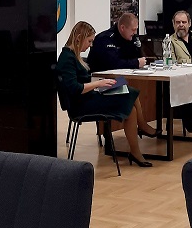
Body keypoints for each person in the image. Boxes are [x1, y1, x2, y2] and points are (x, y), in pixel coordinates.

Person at [57, 21, 157, 167]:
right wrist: (98, 84)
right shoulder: (67, 58)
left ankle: (140, 130)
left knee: (128, 89)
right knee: (130, 108)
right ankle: (137, 146)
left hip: (88, 97)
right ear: (79, 38)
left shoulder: (73, 55)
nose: (90, 45)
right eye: (89, 41)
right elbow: (75, 89)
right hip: (81, 105)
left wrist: (101, 84)